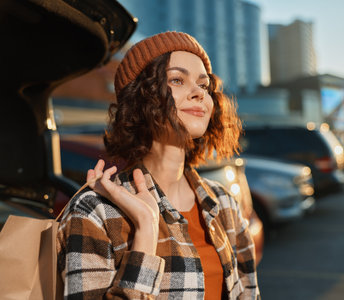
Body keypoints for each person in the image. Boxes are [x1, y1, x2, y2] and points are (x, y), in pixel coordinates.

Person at [57, 31, 260, 299]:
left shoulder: (224, 204)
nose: (199, 92)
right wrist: (146, 229)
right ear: (142, 99)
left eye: (204, 85)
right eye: (177, 79)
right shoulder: (95, 211)